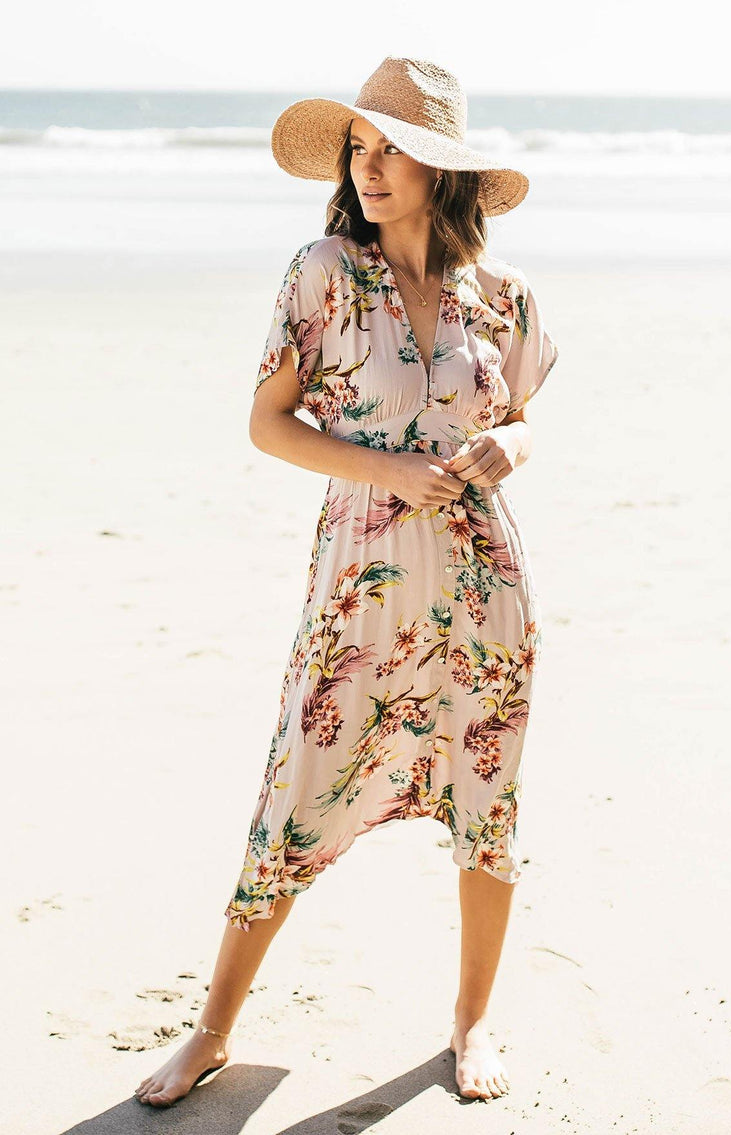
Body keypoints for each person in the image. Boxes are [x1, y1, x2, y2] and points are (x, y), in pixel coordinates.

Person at [134, 54, 558, 1110]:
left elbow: (515, 419)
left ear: (439, 169)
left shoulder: (501, 297)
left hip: (481, 586)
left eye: (392, 150)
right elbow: (265, 425)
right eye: (358, 149)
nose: (370, 168)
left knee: (484, 802)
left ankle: (471, 1024)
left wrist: (515, 446)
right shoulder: (321, 271)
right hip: (359, 584)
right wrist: (387, 469)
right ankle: (213, 1029)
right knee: (295, 792)